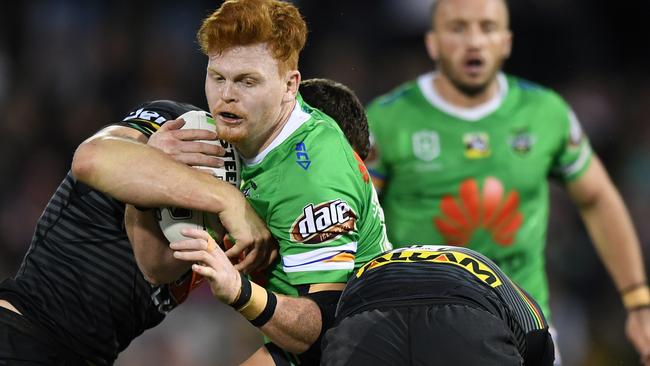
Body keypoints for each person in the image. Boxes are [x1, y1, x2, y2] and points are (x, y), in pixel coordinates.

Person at [73, 2, 390, 364]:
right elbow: (156, 268)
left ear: (290, 85)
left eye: (247, 81)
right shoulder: (212, 138)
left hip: (359, 341)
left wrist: (240, 292)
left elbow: (321, 328)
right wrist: (148, 188)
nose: (226, 95)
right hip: (297, 339)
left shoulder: (312, 171)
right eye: (218, 77)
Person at [365, 0, 650, 363]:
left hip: (524, 331)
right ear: (433, 42)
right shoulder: (388, 120)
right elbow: (357, 219)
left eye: (487, 27)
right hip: (419, 332)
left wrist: (638, 302)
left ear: (507, 41)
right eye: (458, 28)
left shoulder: (545, 113)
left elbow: (597, 198)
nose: (474, 41)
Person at [0, 100, 247, 365]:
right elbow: (89, 159)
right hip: (23, 331)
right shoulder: (177, 125)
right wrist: (224, 198)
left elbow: (155, 269)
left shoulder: (262, 199)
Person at [321, 245, 555, 366]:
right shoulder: (516, 298)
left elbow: (337, 324)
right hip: (469, 323)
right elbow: (535, 329)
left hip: (362, 320)